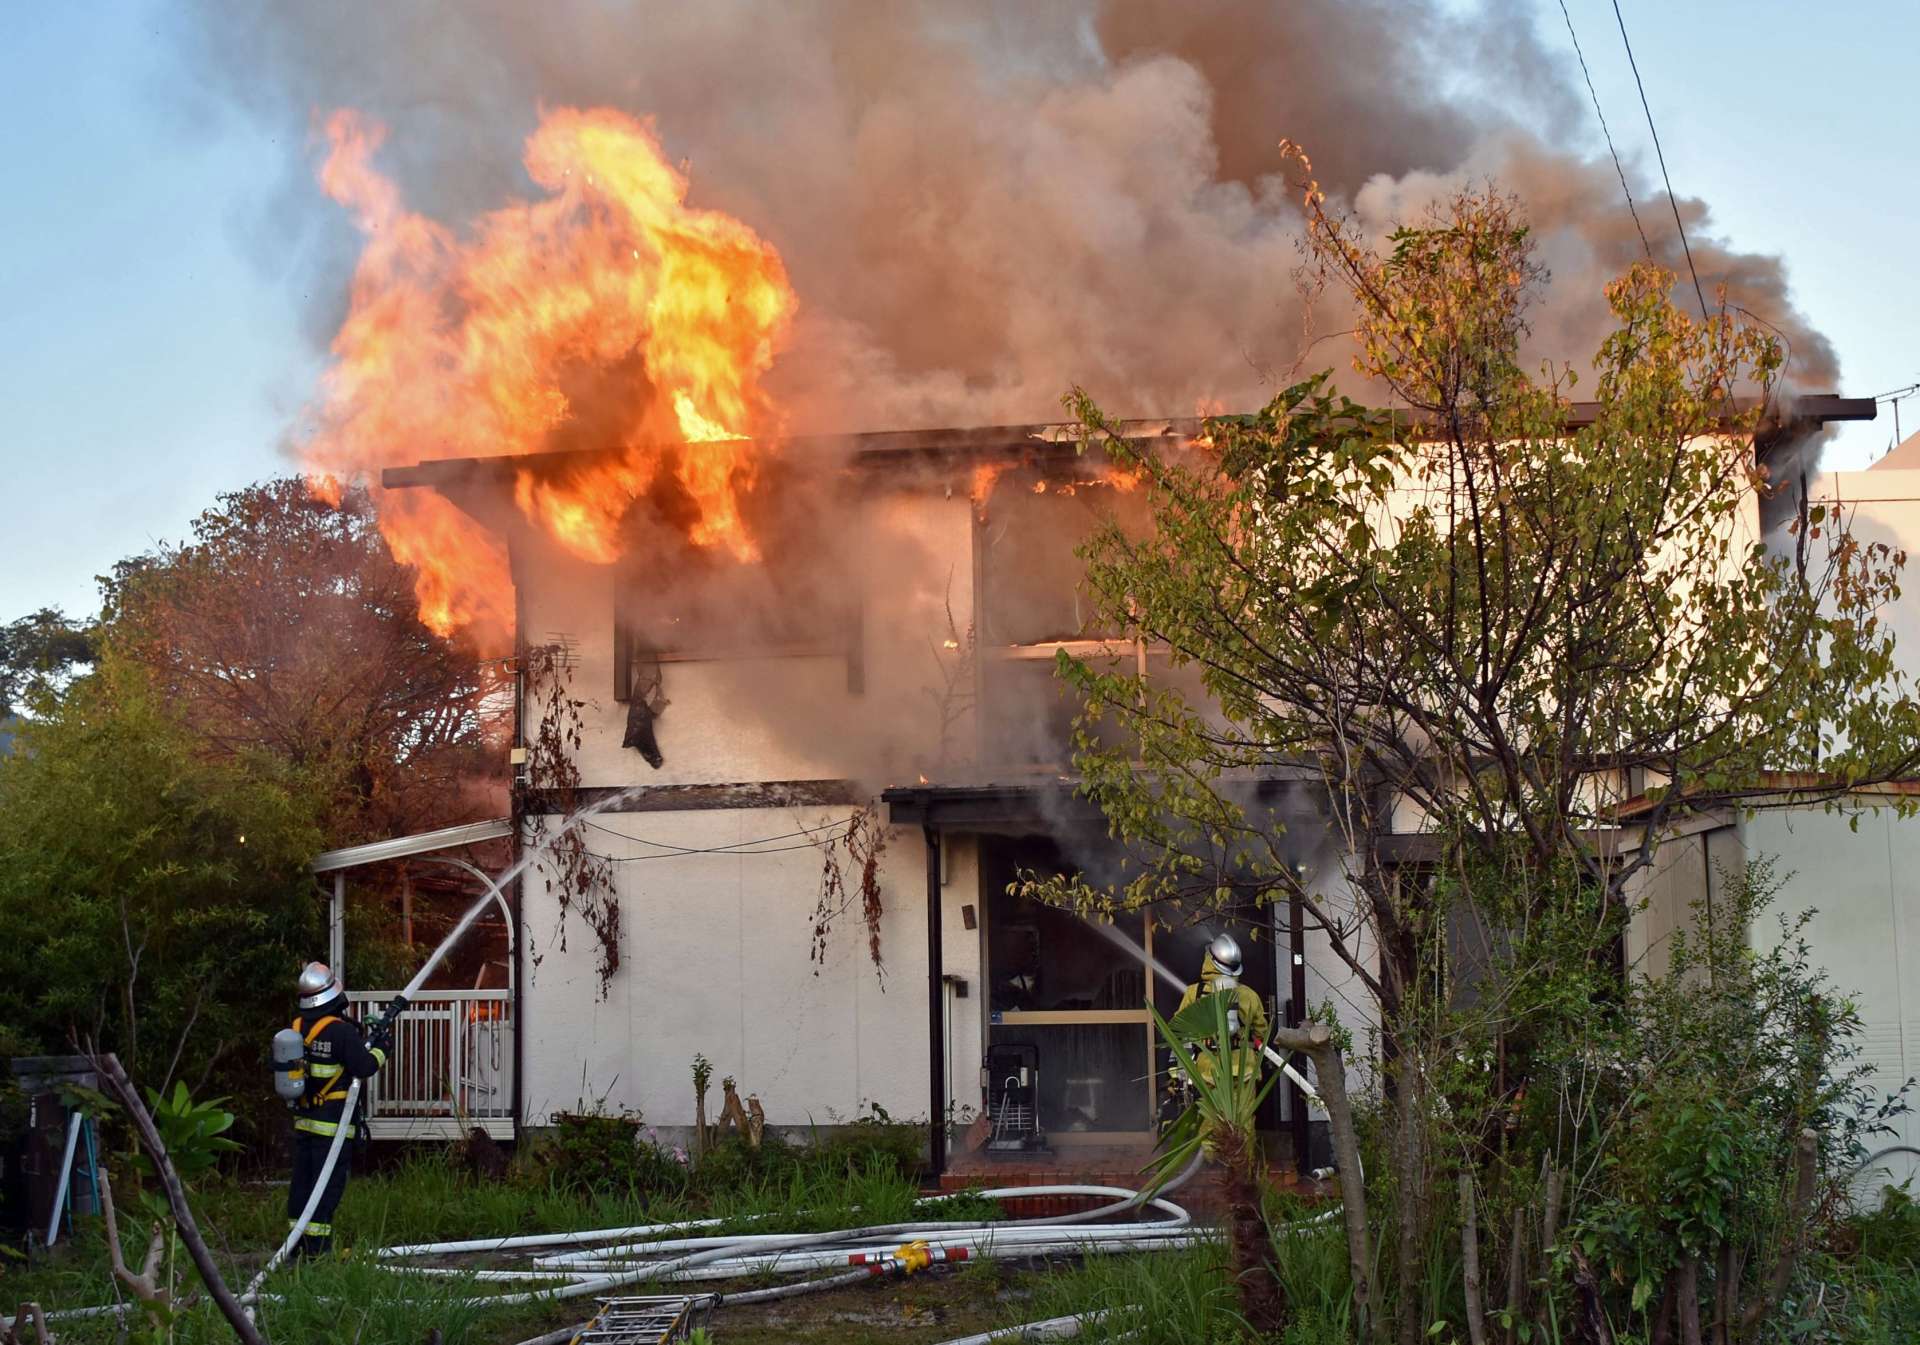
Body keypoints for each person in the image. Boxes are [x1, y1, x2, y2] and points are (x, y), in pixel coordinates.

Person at [286, 962, 400, 1257]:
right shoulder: (340, 1031)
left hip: (304, 1121)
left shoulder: (297, 1027)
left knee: (302, 1184)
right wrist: (384, 1048)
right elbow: (364, 1066)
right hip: (333, 1125)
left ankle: (295, 1247)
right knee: (326, 1187)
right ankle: (317, 1251)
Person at [1174, 933, 1270, 1128]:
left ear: (1209, 960)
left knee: (1211, 1125)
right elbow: (1262, 1032)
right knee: (1243, 1124)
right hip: (1244, 1070)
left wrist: (1180, 1070)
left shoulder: (1194, 993)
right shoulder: (1249, 995)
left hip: (1209, 1070)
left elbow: (1179, 1031)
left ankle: (1211, 1149)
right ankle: (1243, 1149)